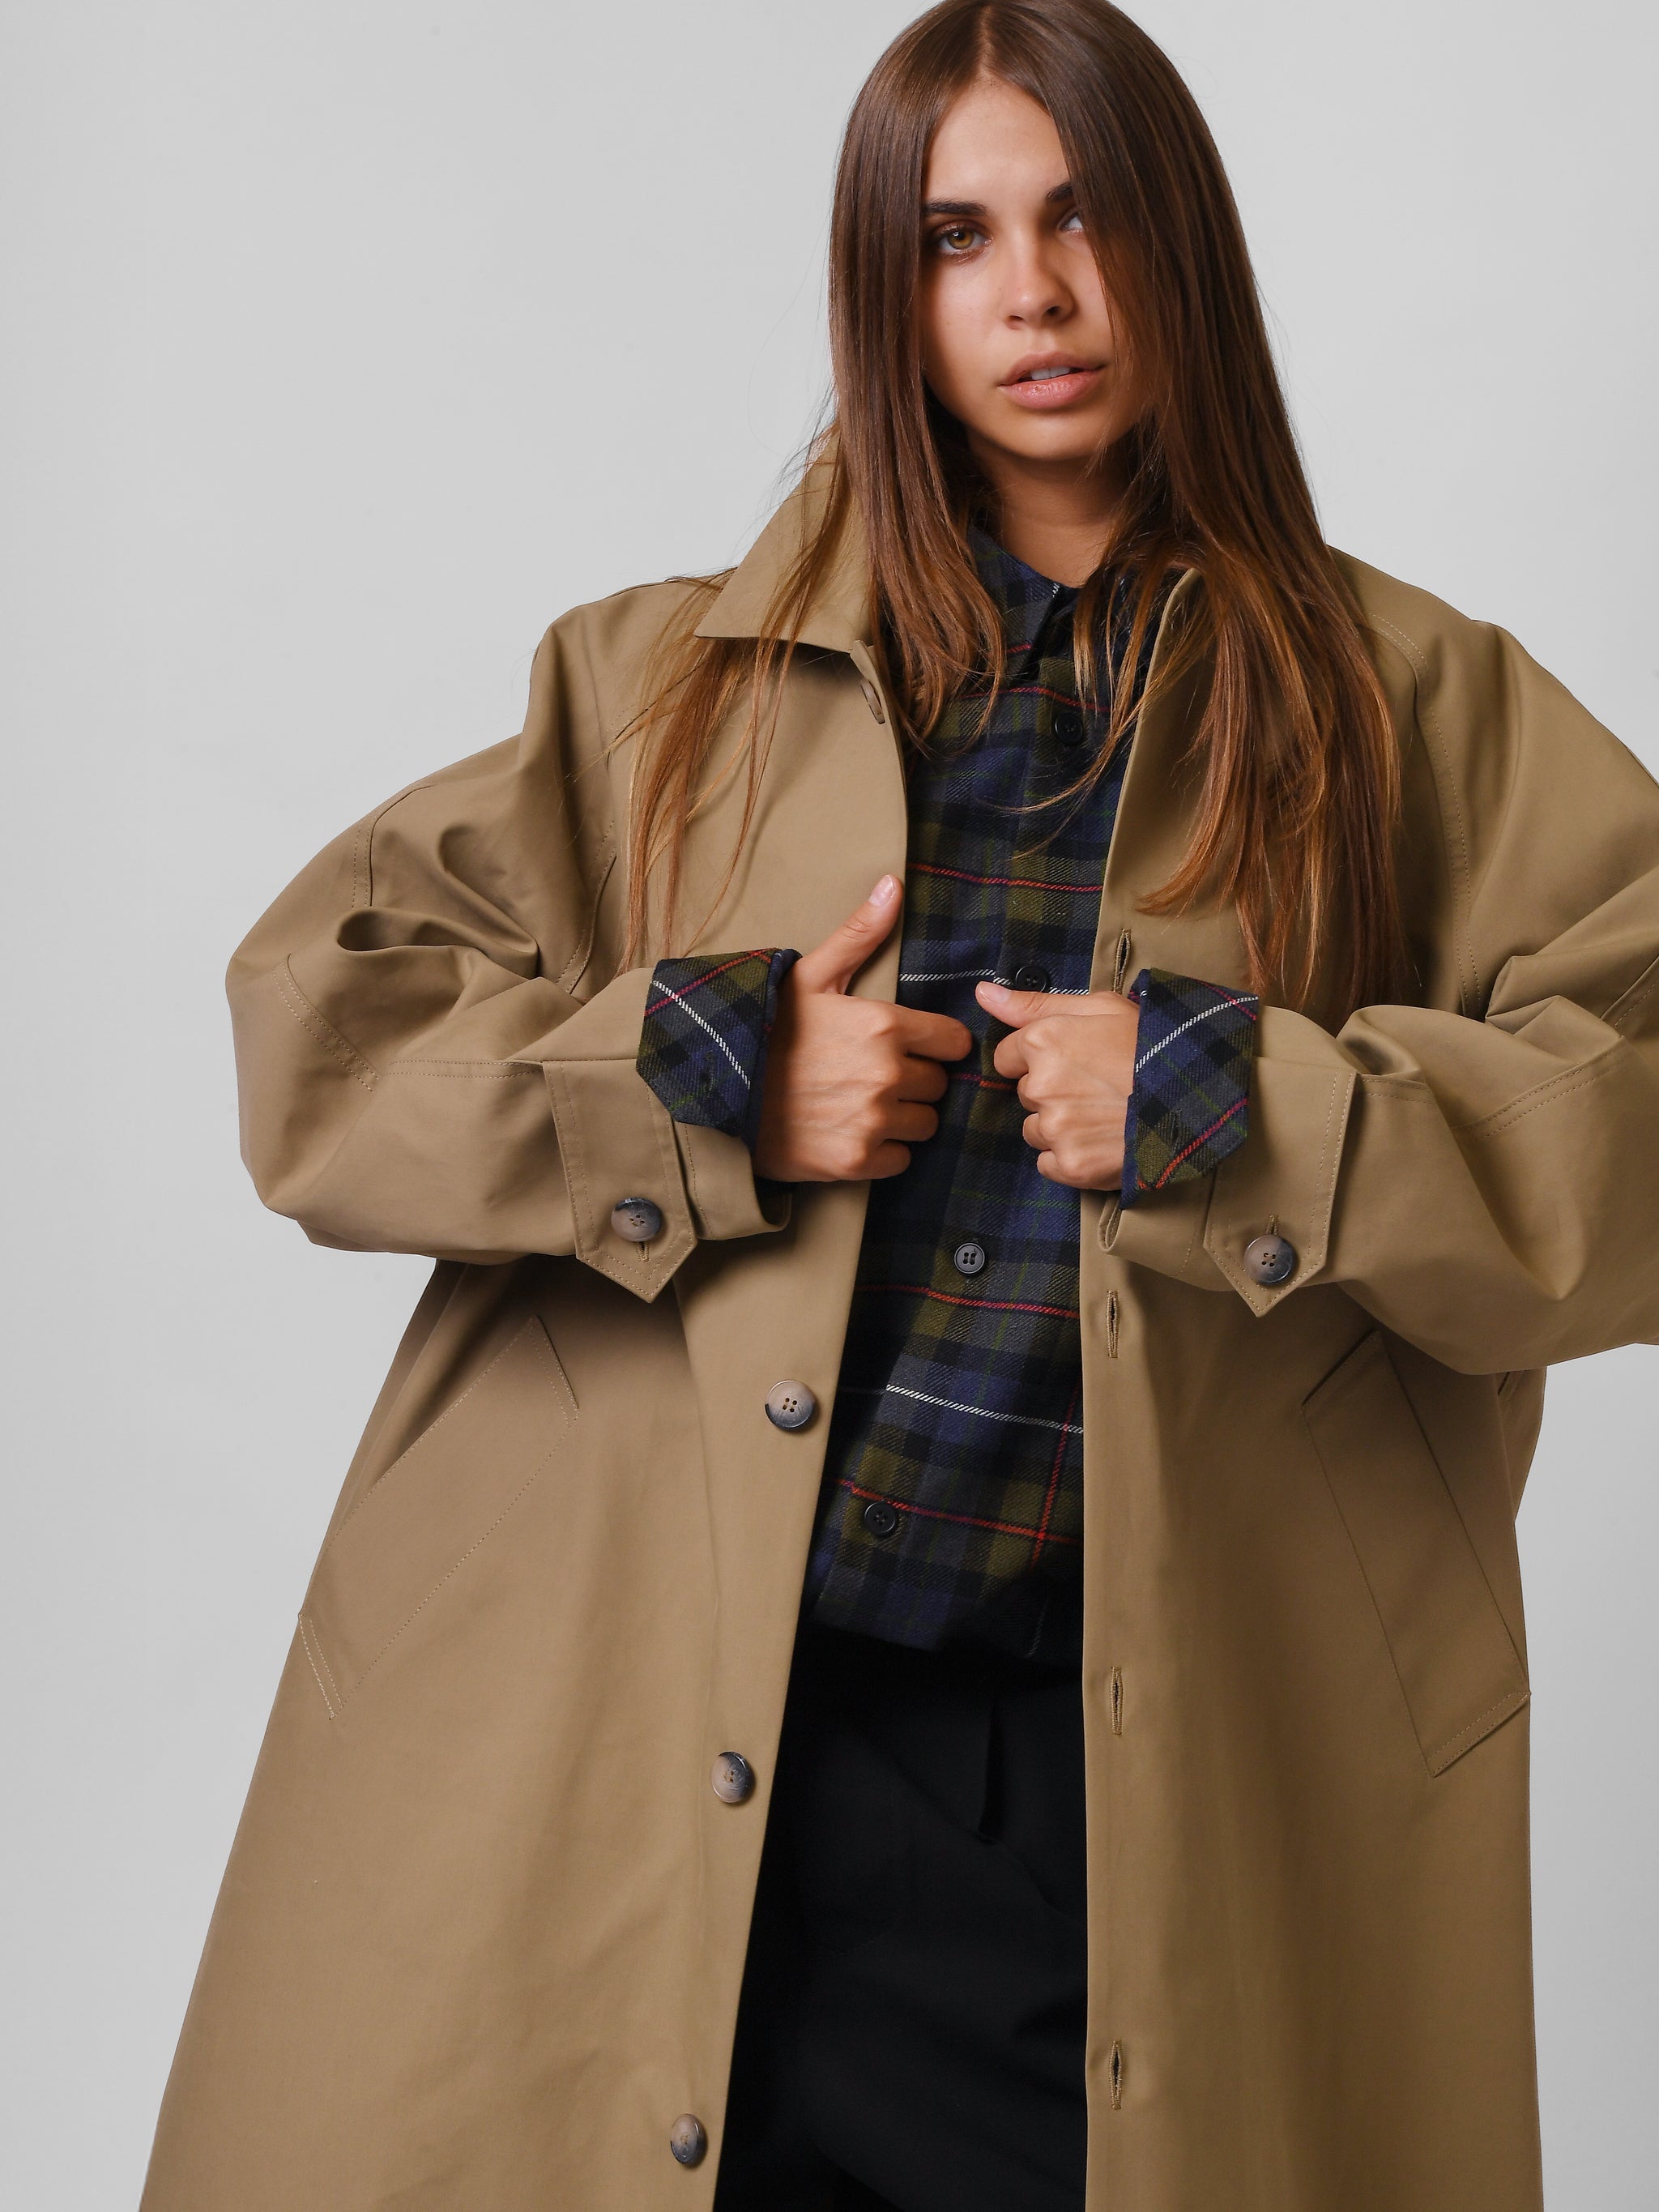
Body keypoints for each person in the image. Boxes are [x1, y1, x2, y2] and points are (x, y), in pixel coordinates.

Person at [142, 3, 1659, 2209]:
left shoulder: (1410, 712)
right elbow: (323, 1033)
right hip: (651, 1757)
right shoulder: (667, 694)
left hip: (1113, 1810)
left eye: (1086, 217)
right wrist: (713, 1077)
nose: (1034, 292)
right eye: (958, 236)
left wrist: (1238, 1101)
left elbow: (1637, 1111)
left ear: (1184, 245)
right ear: (889, 283)